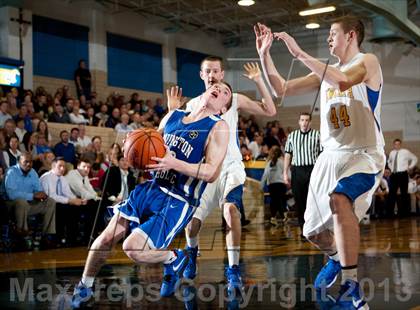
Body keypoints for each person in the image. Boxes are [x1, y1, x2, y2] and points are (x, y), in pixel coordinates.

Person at [256, 16, 385, 308]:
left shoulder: (368, 61)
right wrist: (265, 56)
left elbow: (342, 82)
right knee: (313, 232)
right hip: (329, 157)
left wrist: (300, 53)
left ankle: (351, 285)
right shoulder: (326, 72)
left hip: (362, 154)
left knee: (341, 198)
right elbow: (281, 89)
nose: (328, 39)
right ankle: (337, 259)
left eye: (332, 33)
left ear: (351, 36)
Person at [71, 83, 231, 308]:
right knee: (106, 236)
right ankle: (84, 288)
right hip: (151, 188)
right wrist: (133, 149)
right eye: (215, 85)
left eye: (225, 91)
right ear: (203, 92)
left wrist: (174, 163)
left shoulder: (218, 126)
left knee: (132, 248)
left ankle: (173, 258)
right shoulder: (174, 116)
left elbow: (212, 173)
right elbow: (151, 147)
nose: (218, 88)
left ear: (224, 107)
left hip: (177, 199)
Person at [169, 57, 276, 295]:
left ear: (222, 73)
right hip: (207, 169)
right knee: (191, 226)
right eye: (207, 71)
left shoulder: (233, 98)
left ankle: (234, 269)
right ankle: (192, 253)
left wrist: (259, 81)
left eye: (215, 71)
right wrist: (171, 110)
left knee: (231, 211)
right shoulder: (194, 104)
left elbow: (270, 110)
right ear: (201, 75)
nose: (211, 75)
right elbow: (175, 132)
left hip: (231, 167)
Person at [4, 152, 56, 246]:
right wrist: (32, 195)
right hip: (11, 205)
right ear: (18, 162)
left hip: (29, 205)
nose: (29, 164)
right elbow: (11, 194)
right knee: (21, 201)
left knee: (50, 202)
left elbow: (38, 190)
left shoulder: (32, 172)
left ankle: (46, 235)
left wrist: (42, 195)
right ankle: (22, 233)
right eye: (26, 162)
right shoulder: (11, 172)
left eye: (31, 162)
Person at [283, 112, 321, 237]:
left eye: (307, 120)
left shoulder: (317, 135)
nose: (304, 123)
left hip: (312, 170)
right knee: (299, 201)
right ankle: (303, 228)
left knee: (313, 201)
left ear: (310, 122)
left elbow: (322, 156)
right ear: (299, 122)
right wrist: (285, 173)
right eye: (302, 120)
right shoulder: (292, 136)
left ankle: (314, 226)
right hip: (297, 171)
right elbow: (288, 155)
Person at [40, 157, 87, 246]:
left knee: (76, 208)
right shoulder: (47, 177)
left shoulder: (62, 178)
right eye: (60, 166)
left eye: (64, 167)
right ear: (53, 166)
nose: (62, 169)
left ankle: (72, 238)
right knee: (62, 208)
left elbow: (68, 193)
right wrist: (70, 201)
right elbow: (51, 196)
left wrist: (78, 200)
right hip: (46, 203)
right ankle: (57, 239)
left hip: (60, 203)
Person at [386, 139, 418, 217]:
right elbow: (389, 161)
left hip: (403, 174)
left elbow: (415, 158)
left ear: (400, 145)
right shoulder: (392, 153)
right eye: (395, 144)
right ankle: (390, 214)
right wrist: (391, 168)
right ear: (393, 145)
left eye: (398, 144)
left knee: (404, 193)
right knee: (391, 194)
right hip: (394, 175)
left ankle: (404, 213)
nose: (397, 145)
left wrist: (410, 167)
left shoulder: (405, 152)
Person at [260, 146, 288, 225]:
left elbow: (265, 175)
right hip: (280, 184)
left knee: (274, 201)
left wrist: (261, 185)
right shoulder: (281, 162)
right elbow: (286, 172)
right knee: (279, 201)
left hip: (271, 185)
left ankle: (274, 217)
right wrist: (289, 181)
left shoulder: (269, 163)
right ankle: (283, 216)